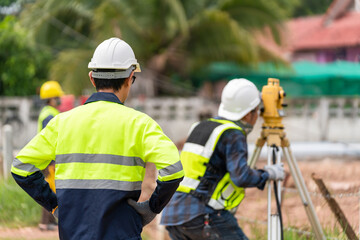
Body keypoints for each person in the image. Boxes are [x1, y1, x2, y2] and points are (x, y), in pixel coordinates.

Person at [11, 37, 184, 240]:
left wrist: (55, 205)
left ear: (92, 78)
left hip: (73, 233)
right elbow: (173, 170)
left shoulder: (61, 123)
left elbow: (20, 167)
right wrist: (151, 208)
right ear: (130, 78)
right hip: (123, 232)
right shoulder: (141, 124)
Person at [160, 78, 284, 240]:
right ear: (248, 114)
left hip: (173, 214)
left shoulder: (200, 126)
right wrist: (268, 174)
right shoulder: (233, 134)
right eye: (256, 110)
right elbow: (241, 177)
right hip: (202, 214)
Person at [37, 80, 64, 231]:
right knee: (50, 189)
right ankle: (45, 222)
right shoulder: (49, 115)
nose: (59, 99)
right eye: (57, 97)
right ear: (51, 98)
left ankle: (50, 221)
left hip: (47, 158)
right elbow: (51, 139)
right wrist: (52, 160)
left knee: (52, 188)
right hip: (48, 159)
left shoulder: (48, 112)